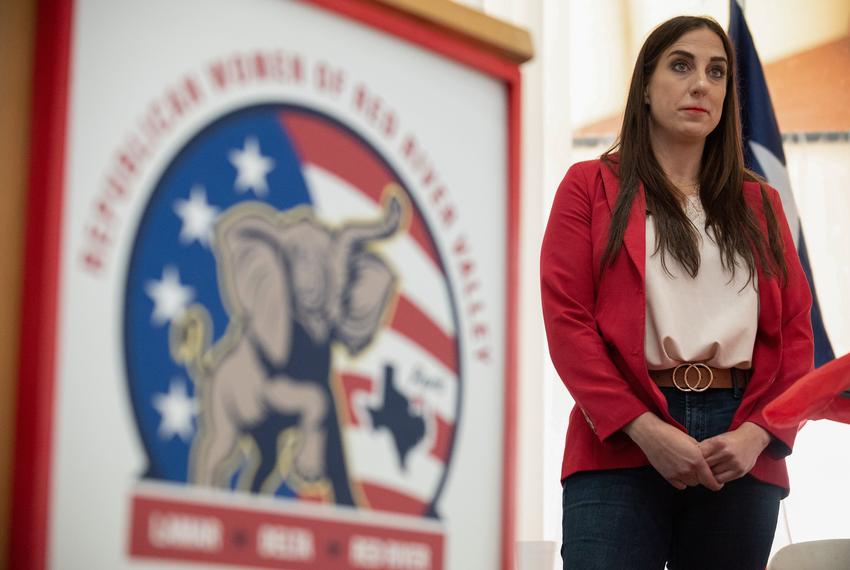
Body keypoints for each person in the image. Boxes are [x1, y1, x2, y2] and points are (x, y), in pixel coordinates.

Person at [540, 15, 814, 570]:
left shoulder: (760, 205)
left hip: (739, 443)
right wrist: (645, 430)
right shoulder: (588, 186)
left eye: (717, 72)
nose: (702, 84)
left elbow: (796, 335)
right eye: (682, 65)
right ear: (645, 85)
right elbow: (568, 321)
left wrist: (759, 435)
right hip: (619, 437)